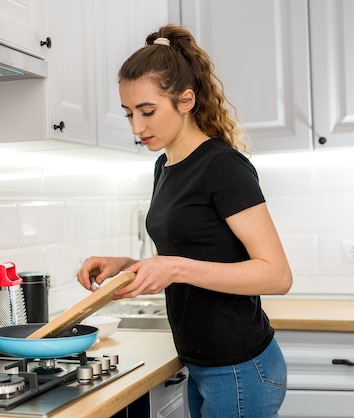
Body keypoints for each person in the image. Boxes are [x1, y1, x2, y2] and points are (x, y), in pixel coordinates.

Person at [76, 24, 293, 418]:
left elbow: (277, 275)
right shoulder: (166, 166)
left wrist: (174, 267)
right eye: (128, 113)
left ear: (186, 100)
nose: (136, 128)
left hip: (240, 368)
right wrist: (127, 268)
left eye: (147, 111)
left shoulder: (222, 166)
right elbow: (187, 253)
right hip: (203, 363)